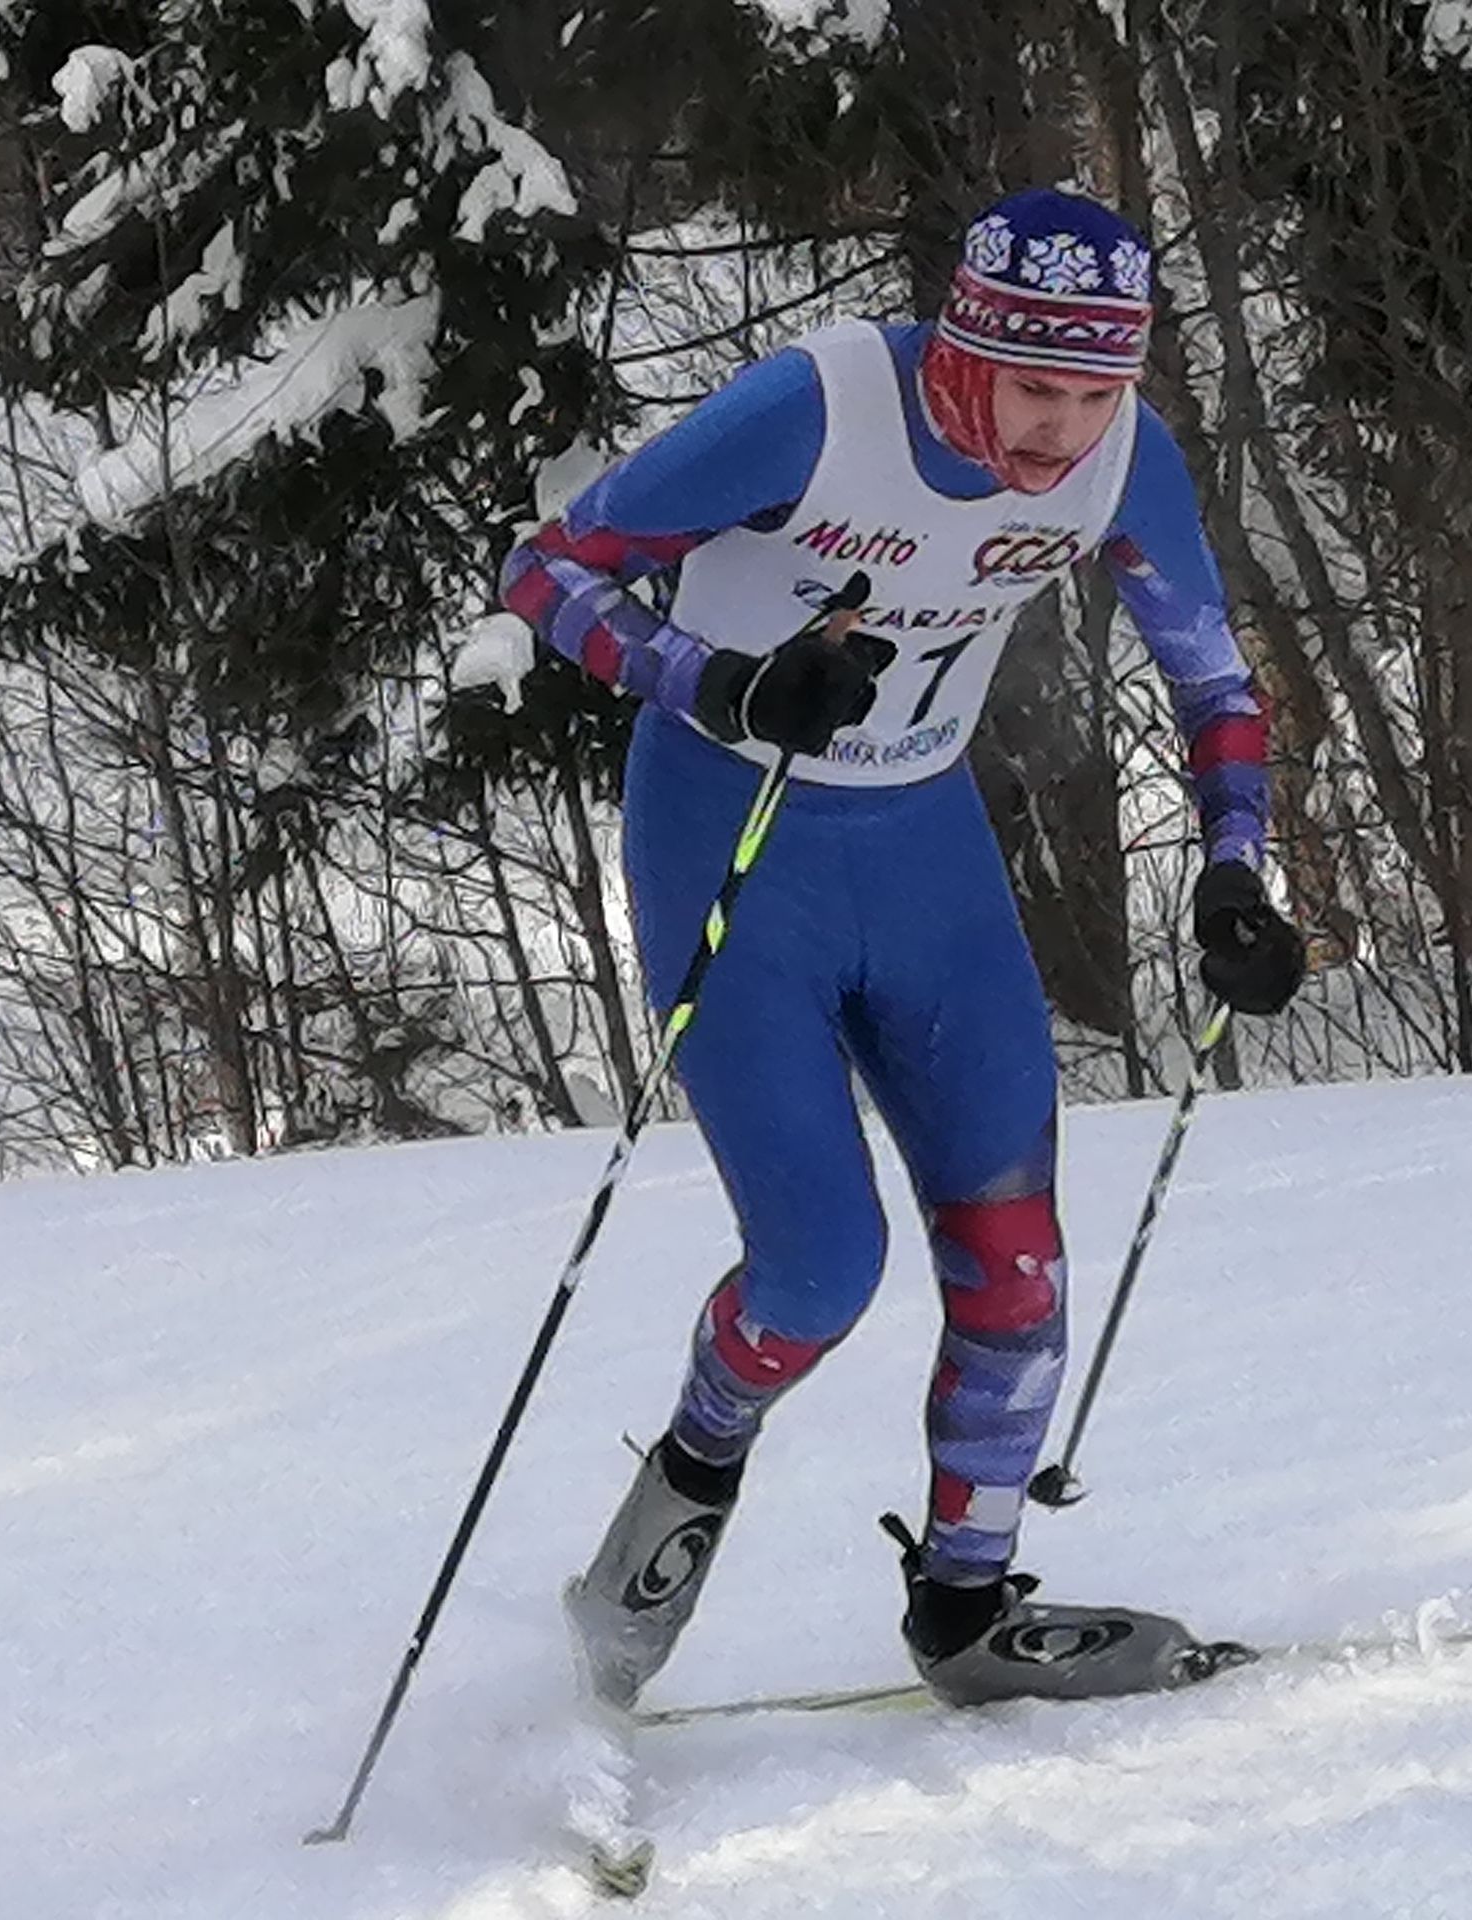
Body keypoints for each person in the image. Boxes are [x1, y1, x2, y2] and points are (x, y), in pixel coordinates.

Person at [499, 186, 1306, 1710]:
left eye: (1096, 391)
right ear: (964, 348)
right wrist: (719, 681)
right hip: (737, 850)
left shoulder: (1127, 454)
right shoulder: (816, 409)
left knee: (1017, 1271)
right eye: (1036, 388)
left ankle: (967, 1613)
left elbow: (1212, 678)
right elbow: (547, 576)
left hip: (928, 858)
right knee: (817, 1270)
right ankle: (684, 1482)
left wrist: (1234, 872)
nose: (1063, 431)